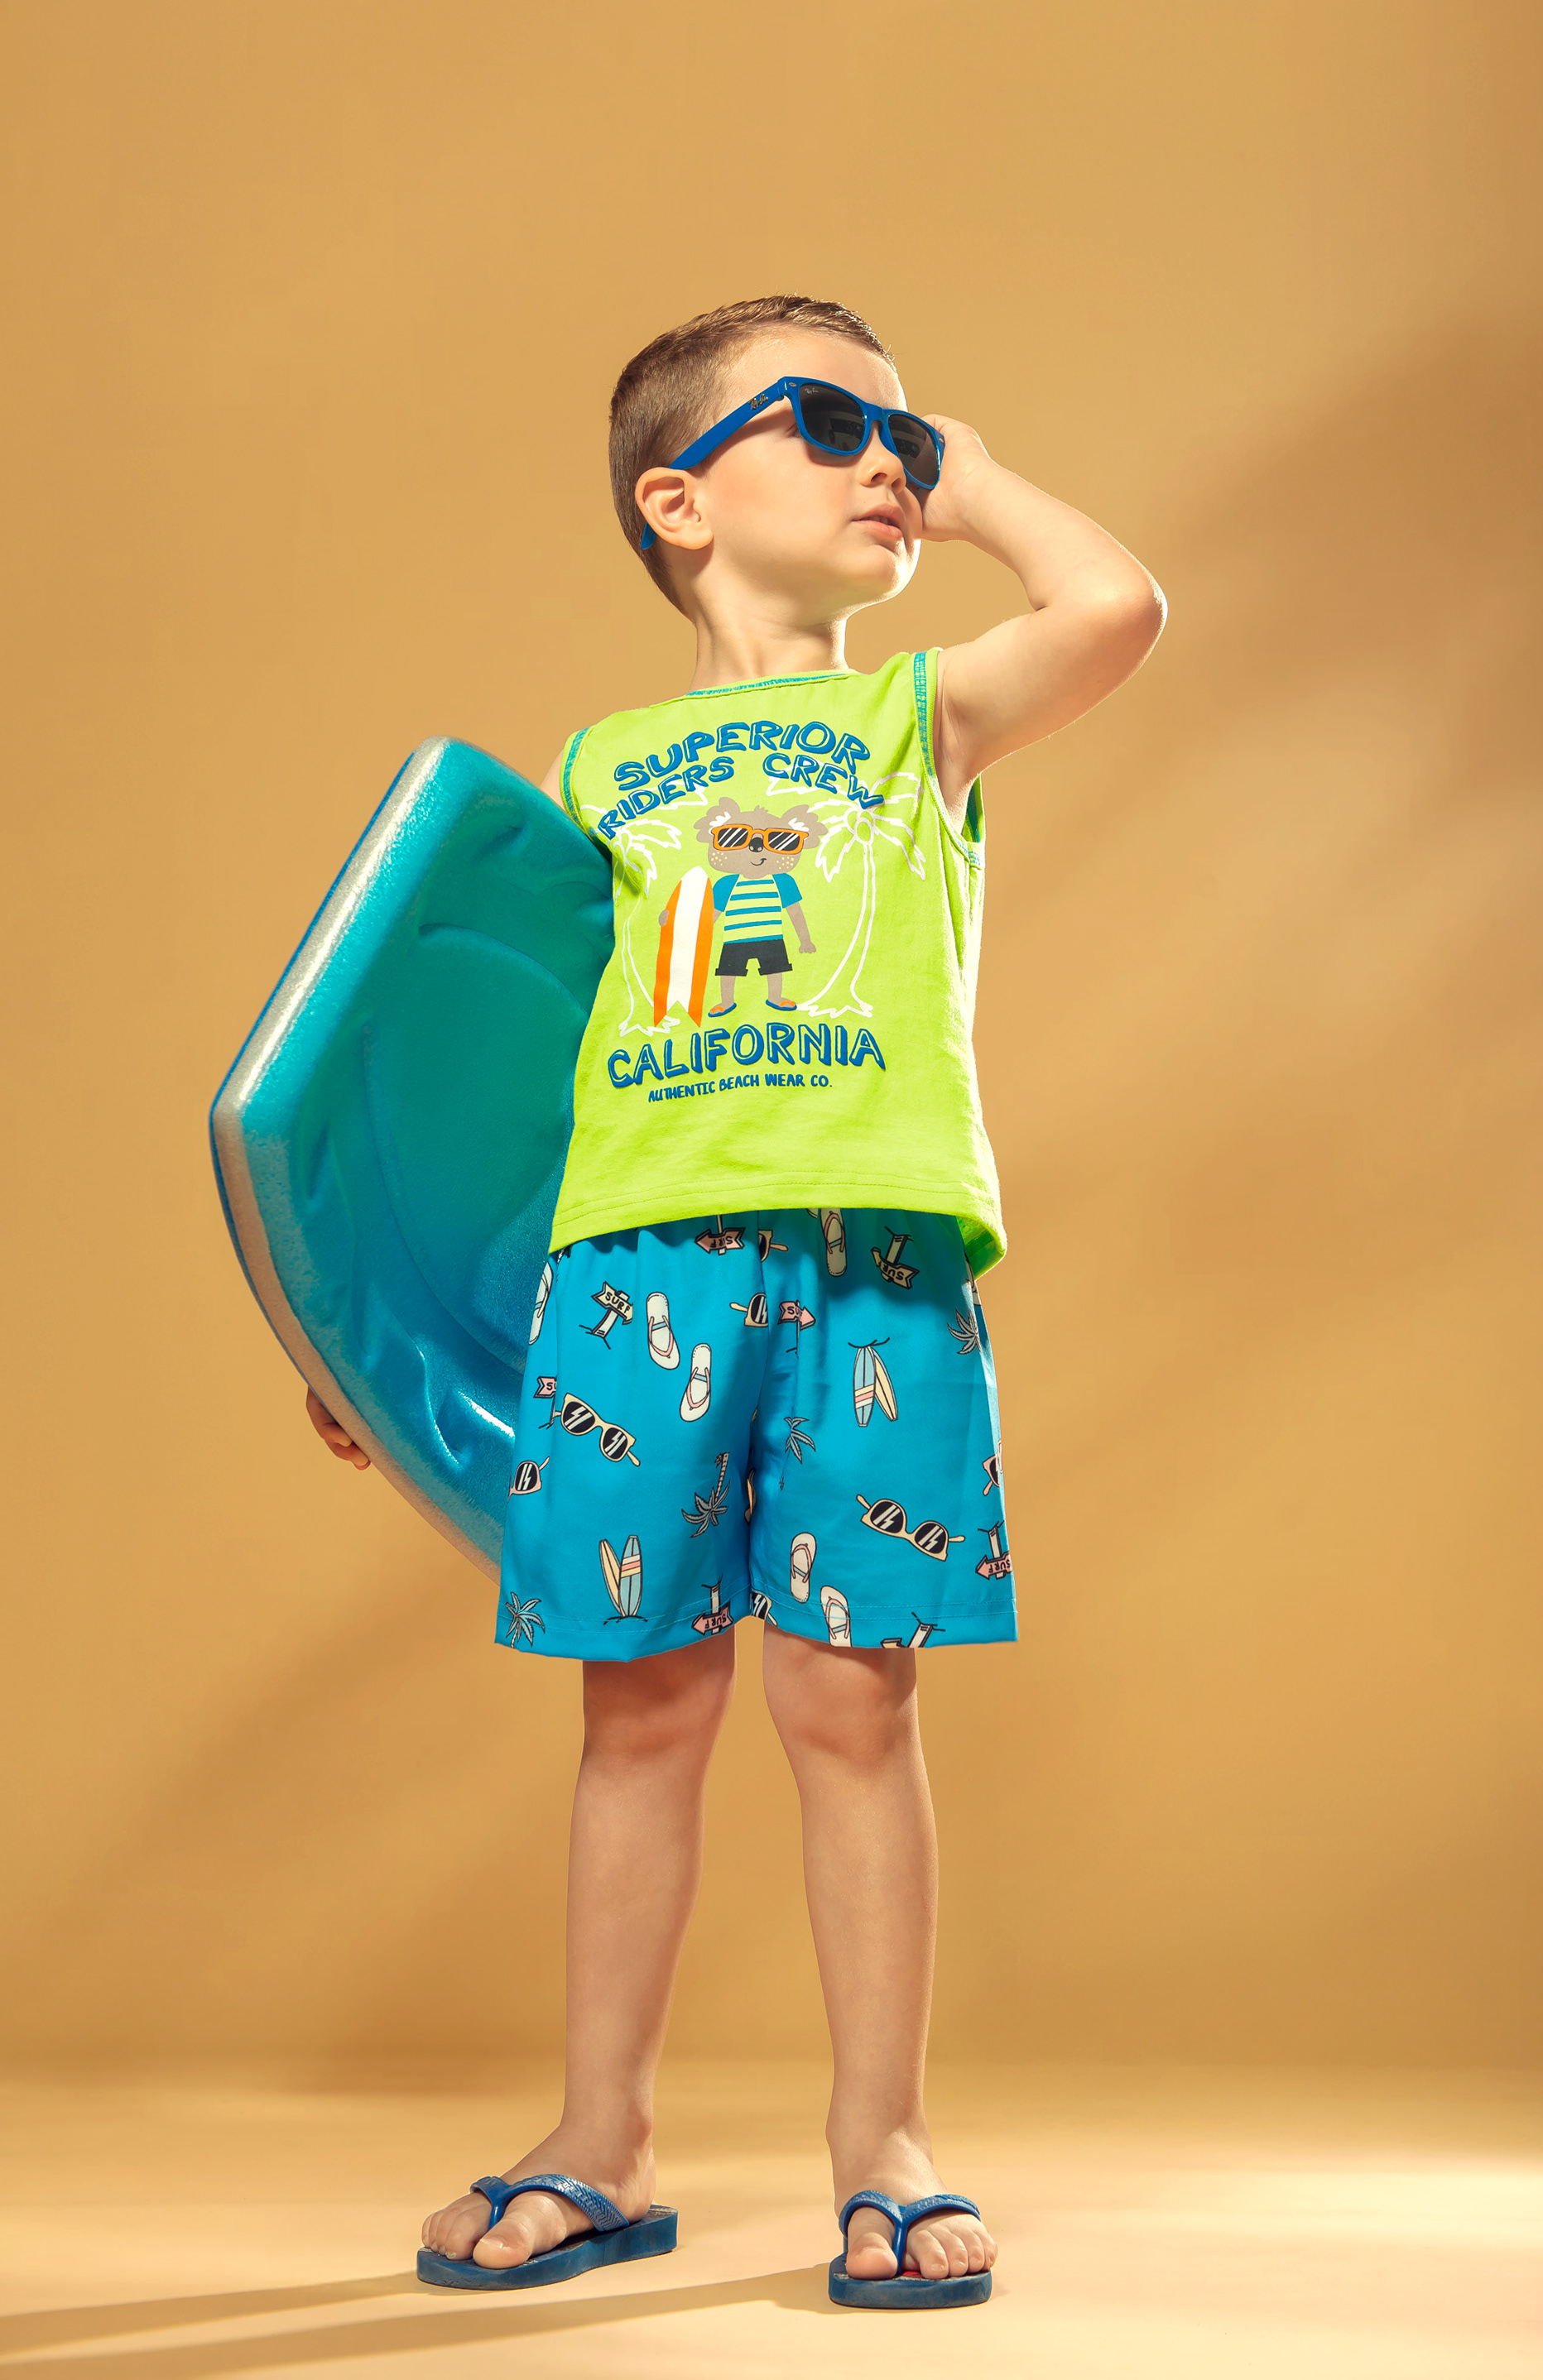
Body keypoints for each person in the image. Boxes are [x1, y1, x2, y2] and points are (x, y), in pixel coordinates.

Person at [307, 294, 1164, 2303]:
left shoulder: (924, 715)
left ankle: (888, 2144)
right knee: (640, 1707)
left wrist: (966, 473)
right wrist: (366, 1324)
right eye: (831, 425)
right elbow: (496, 1076)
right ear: (675, 502)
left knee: (853, 1701)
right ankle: (600, 2139)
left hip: (872, 1258)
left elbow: (1115, 606)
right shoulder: (590, 769)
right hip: (633, 1269)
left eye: (903, 438)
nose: (888, 465)